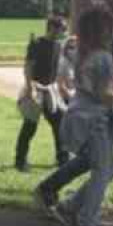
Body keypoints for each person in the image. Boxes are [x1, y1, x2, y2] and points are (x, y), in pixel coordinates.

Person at [35, 0, 113, 218]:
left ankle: (67, 203)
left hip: (106, 98)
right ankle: (78, 216)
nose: (107, 5)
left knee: (104, 163)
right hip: (102, 101)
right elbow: (93, 61)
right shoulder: (99, 23)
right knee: (104, 164)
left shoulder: (107, 22)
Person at [14, 16, 71, 172]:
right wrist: (30, 87)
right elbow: (28, 66)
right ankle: (20, 161)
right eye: (62, 29)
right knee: (30, 126)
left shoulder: (58, 46)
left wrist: (59, 87)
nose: (64, 32)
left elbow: (56, 68)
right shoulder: (37, 44)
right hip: (35, 89)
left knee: (59, 123)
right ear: (52, 27)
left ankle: (63, 159)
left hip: (50, 90)